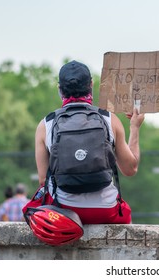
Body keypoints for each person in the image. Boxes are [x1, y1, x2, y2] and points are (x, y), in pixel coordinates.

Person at [22, 60, 145, 224]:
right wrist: (135, 127)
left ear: (60, 89)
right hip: (106, 210)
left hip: (63, 211)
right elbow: (130, 169)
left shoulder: (46, 124)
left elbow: (44, 180)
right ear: (91, 85)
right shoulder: (109, 119)